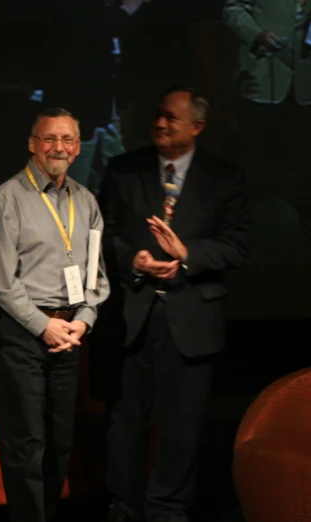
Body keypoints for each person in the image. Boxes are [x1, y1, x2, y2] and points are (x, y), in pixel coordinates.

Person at [99, 87, 250, 522]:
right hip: (131, 318)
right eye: (158, 116)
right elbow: (105, 234)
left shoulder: (225, 178)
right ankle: (123, 510)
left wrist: (186, 257)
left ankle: (168, 511)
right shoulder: (123, 170)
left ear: (197, 127)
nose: (160, 124)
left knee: (180, 430)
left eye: (172, 118)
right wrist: (135, 260)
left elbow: (237, 247)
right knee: (123, 426)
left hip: (191, 322)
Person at [0, 107, 111, 522]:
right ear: (33, 144)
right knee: (26, 445)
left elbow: (96, 276)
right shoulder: (6, 199)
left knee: (59, 442)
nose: (59, 147)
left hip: (68, 333)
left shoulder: (86, 201)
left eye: (68, 139)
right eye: (50, 138)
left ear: (77, 147)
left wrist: (83, 320)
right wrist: (44, 326)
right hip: (22, 335)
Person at [222, 0, 310, 258]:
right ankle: (248, 238)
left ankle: (292, 238)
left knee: (297, 164)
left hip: (304, 81)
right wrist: (256, 34)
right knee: (255, 162)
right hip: (263, 76)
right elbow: (233, 8)